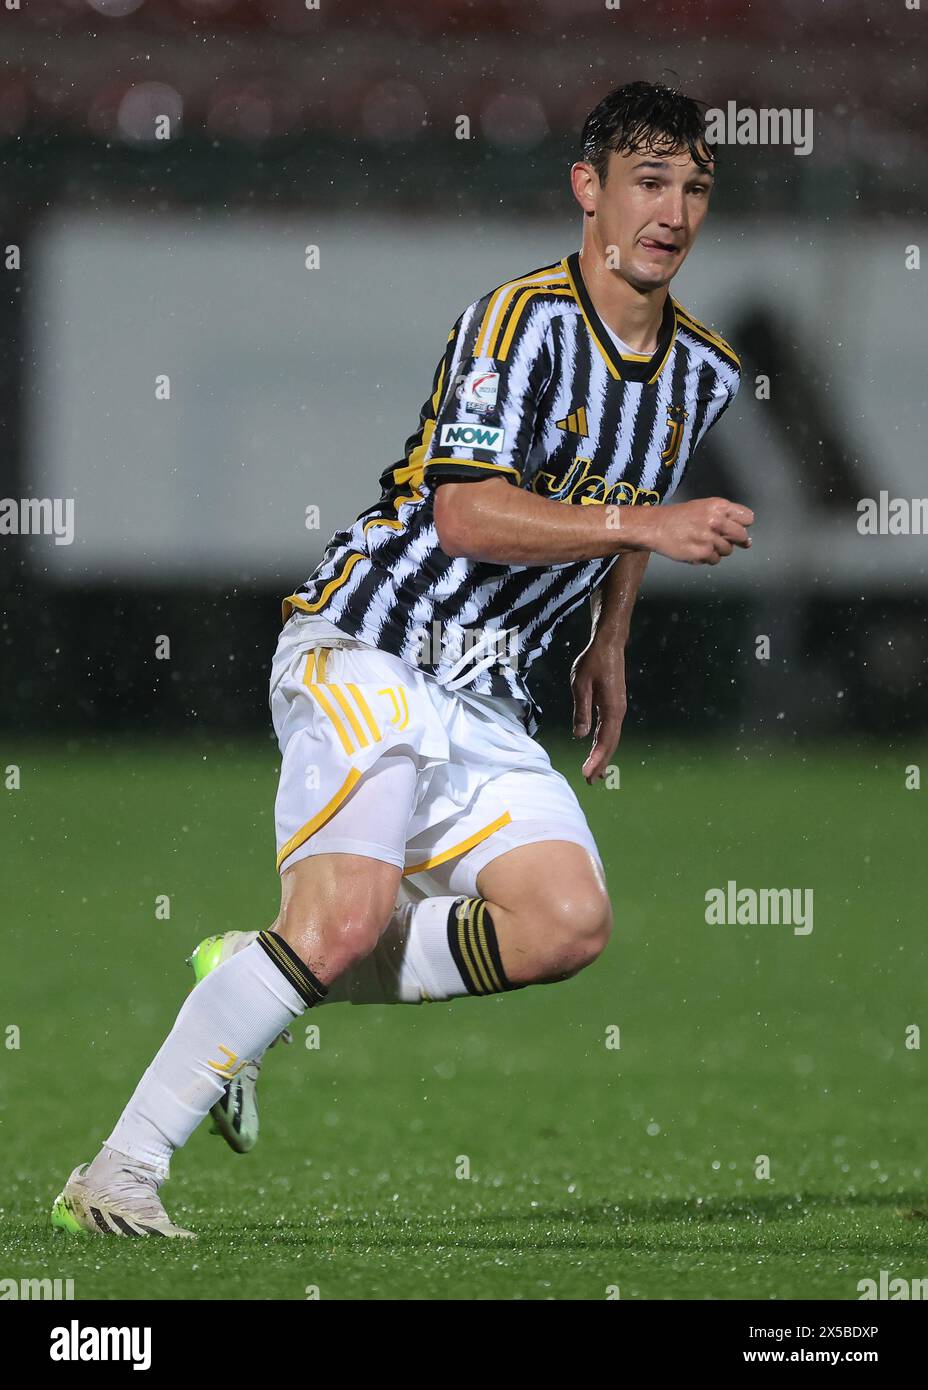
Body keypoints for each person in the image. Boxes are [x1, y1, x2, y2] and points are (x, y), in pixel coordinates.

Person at [52, 80, 752, 1237]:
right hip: (371, 645)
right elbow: (469, 516)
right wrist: (643, 532)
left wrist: (611, 631)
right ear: (589, 190)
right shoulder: (515, 323)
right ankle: (118, 1172)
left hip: (482, 690)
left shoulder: (703, 369)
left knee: (565, 922)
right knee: (340, 917)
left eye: (694, 187)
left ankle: (256, 974)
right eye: (648, 182)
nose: (672, 210)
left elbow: (638, 492)